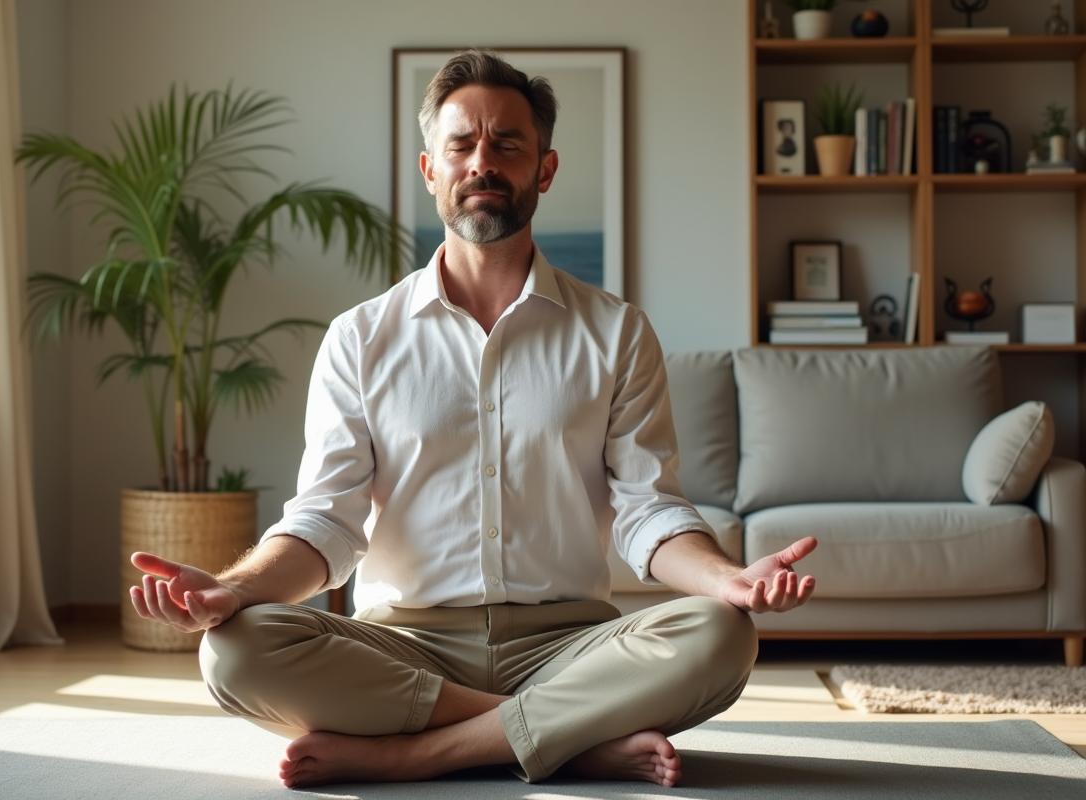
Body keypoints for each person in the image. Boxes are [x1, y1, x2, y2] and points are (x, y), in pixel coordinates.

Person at [129, 49, 817, 790]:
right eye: (461, 145)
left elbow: (648, 511)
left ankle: (418, 752)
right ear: (432, 170)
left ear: (544, 170)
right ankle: (567, 737)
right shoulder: (359, 338)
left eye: (507, 145)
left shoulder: (616, 331)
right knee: (232, 650)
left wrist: (729, 580)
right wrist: (235, 592)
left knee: (719, 633)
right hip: (403, 647)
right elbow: (325, 523)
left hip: (570, 642)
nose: (482, 162)